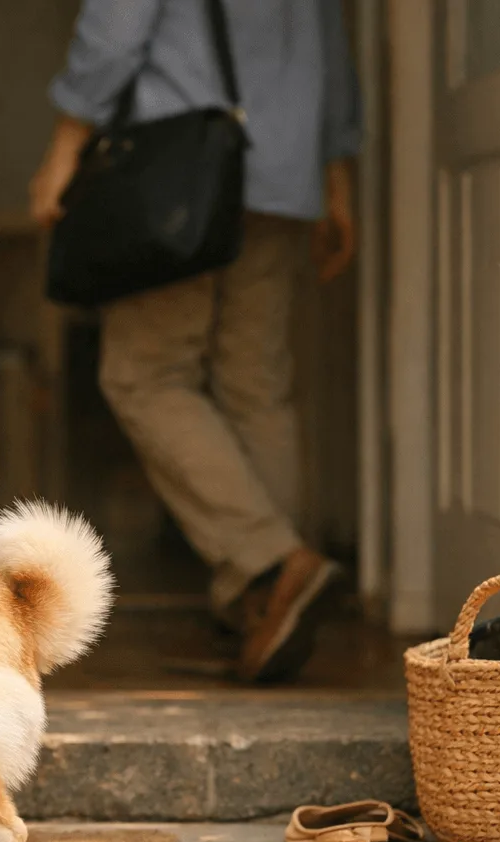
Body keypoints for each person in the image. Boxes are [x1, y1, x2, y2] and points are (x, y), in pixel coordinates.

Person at [30, 0, 360, 682]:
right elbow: (328, 45)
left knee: (143, 376)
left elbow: (115, 31)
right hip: (282, 177)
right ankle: (264, 615)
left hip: (182, 174)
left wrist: (64, 147)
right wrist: (335, 178)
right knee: (257, 386)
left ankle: (270, 563)